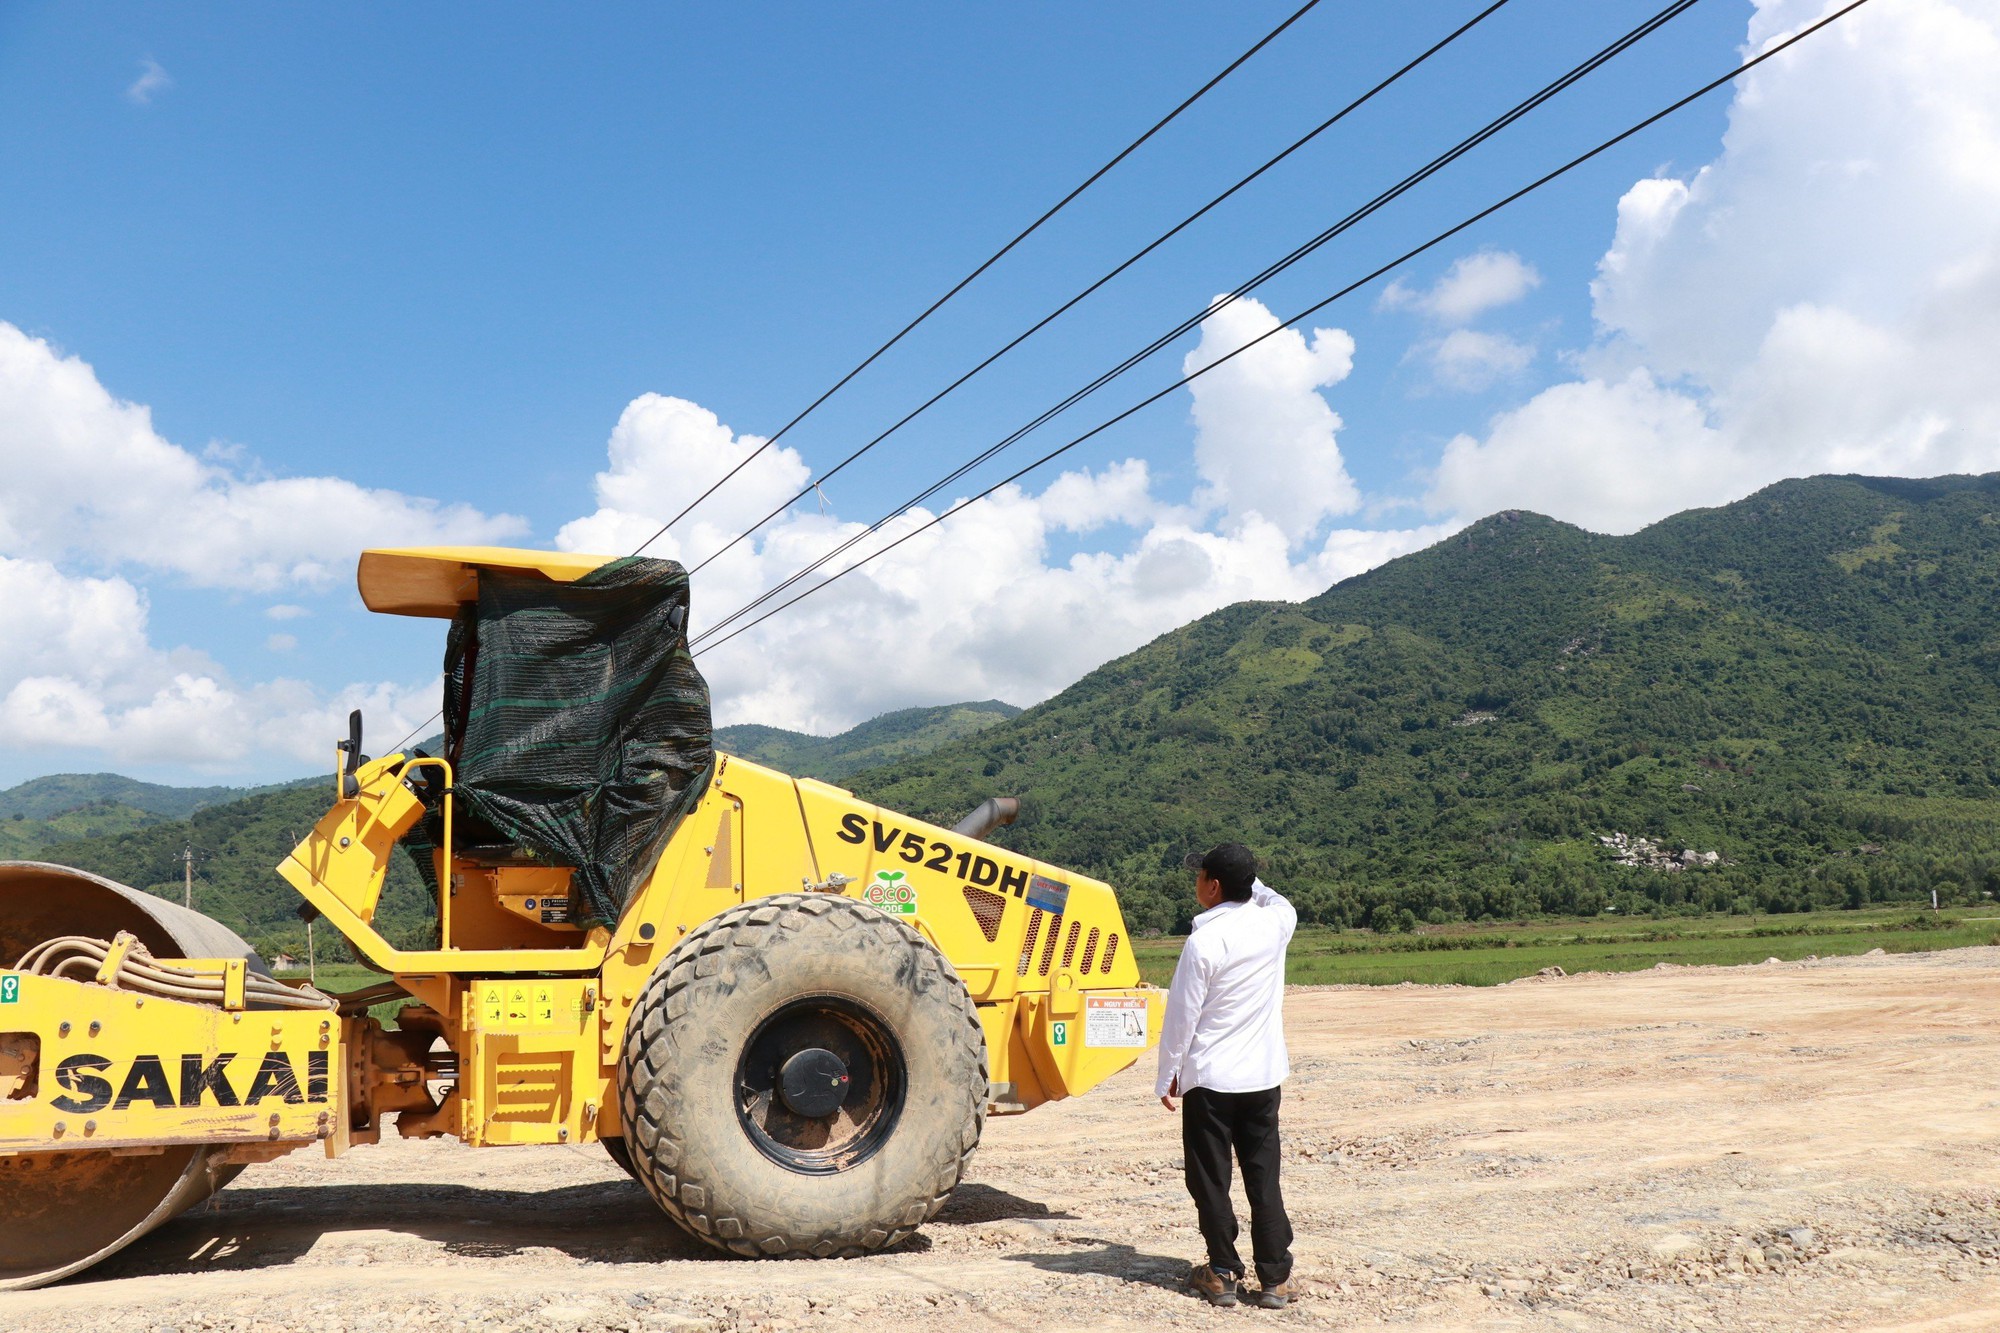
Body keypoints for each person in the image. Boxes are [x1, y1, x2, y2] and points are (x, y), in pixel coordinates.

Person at [1157, 842, 1297, 1309]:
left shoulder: (1204, 941)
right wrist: (1246, 879)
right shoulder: (1277, 923)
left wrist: (1167, 1075)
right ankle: (1275, 1278)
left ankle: (1222, 1273)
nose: (1196, 883)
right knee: (1264, 1176)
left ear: (1212, 886)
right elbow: (1275, 898)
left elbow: (1182, 1016)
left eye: (1201, 876)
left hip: (1213, 1081)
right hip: (1262, 1077)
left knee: (1210, 1179)